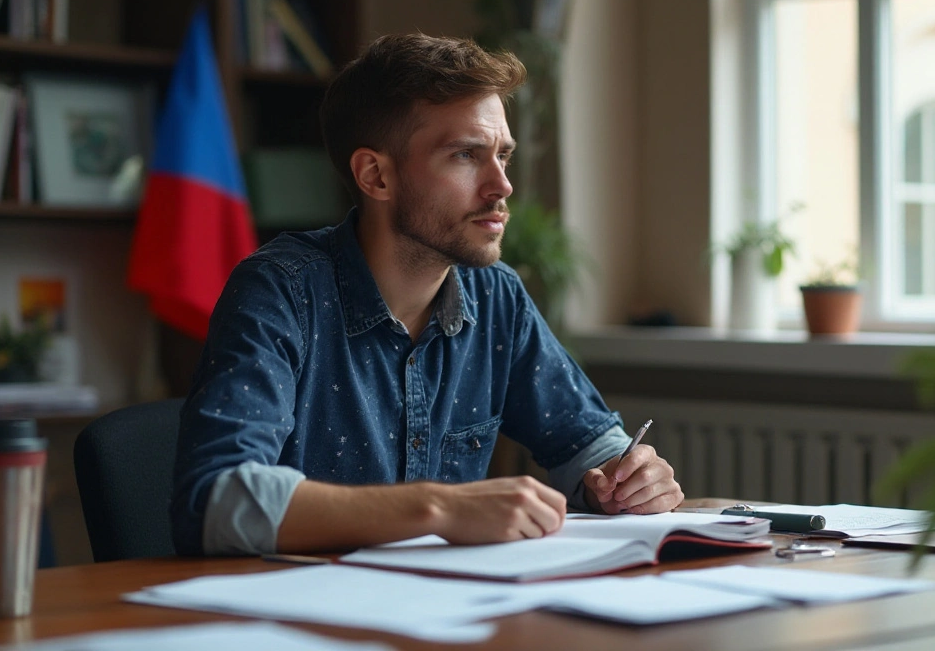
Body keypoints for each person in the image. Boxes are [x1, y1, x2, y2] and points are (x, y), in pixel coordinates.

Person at [170, 33, 683, 556]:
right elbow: (216, 498)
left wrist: (631, 478)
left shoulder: (495, 295)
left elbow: (589, 449)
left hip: (449, 614)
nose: (502, 185)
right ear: (376, 175)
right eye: (466, 155)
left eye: (503, 156)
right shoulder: (281, 290)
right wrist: (438, 509)